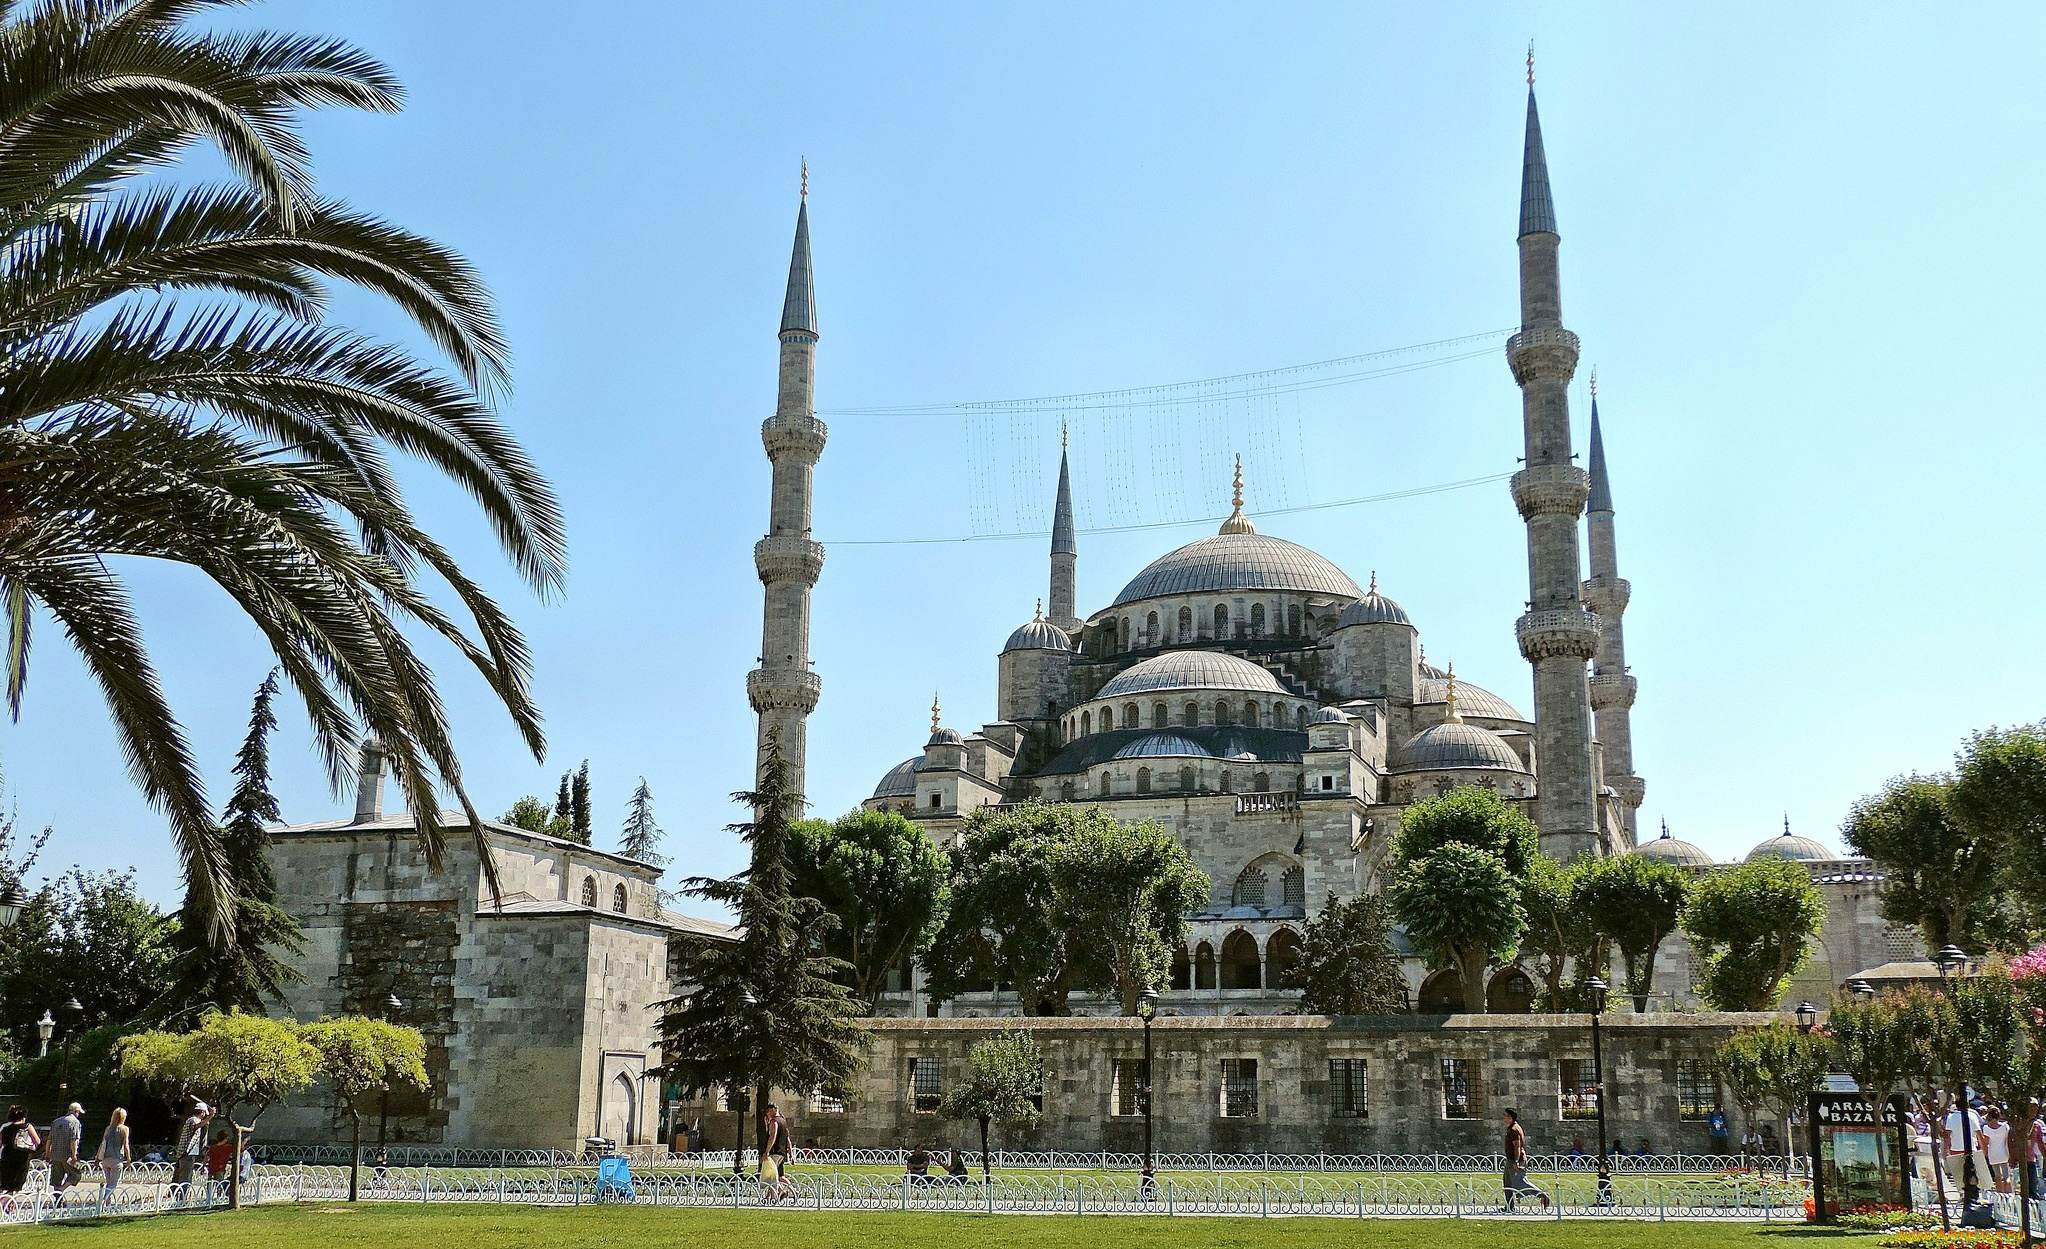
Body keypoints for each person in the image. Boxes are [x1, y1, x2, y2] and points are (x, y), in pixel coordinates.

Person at [1501, 1108, 1550, 1212]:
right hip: (1510, 1160)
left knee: (1521, 1183)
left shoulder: (1514, 1129)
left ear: (1510, 1117)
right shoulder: (1511, 1128)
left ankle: (1543, 1196)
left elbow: (1517, 1146)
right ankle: (1509, 1206)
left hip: (1516, 1160)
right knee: (1507, 1184)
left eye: (1505, 1116)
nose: (1504, 1118)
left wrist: (1516, 1161)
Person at [0, 1107, 39, 1212]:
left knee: (6, 1182)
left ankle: (9, 1204)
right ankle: (5, 1202)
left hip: (7, 1156)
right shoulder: (27, 1126)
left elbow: (1, 1142)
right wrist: (32, 1147)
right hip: (21, 1157)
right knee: (18, 1182)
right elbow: (37, 1141)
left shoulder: (6, 1128)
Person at [45, 1103, 83, 1203]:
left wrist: (47, 1153)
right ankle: (62, 1189)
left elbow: (49, 1139)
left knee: (57, 1178)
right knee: (76, 1174)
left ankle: (58, 1199)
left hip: (55, 1154)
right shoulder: (75, 1122)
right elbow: (73, 1140)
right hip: (67, 1155)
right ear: (76, 1111)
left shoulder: (56, 1121)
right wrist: (74, 1155)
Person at [759, 1103, 794, 1202]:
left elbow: (772, 1136)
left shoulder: (774, 1122)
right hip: (782, 1153)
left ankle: (778, 1194)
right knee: (779, 1175)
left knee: (770, 1175)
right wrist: (791, 1154)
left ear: (773, 1110)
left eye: (768, 1112)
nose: (768, 1114)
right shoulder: (783, 1121)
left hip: (775, 1151)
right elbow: (787, 1139)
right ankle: (793, 1191)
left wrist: (767, 1151)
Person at [172, 1101, 209, 1195]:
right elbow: (198, 1125)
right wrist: (211, 1116)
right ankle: (182, 1199)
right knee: (185, 1177)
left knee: (183, 1176)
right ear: (202, 1112)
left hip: (187, 1153)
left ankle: (178, 1196)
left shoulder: (191, 1120)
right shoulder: (193, 1120)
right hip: (187, 1153)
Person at [96, 1108, 131, 1206]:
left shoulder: (108, 1128)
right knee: (113, 1184)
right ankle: (104, 1198)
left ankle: (107, 1202)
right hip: (117, 1159)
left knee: (108, 1182)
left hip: (106, 1158)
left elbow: (102, 1143)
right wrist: (128, 1159)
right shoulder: (125, 1129)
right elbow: (126, 1145)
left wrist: (97, 1158)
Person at [1983, 1104, 2013, 1194]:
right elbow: (2008, 1141)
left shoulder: (1986, 1128)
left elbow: (1986, 1143)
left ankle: (2000, 1193)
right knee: (2006, 1175)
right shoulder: (2005, 1127)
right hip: (2004, 1152)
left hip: (1993, 1154)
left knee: (1997, 1176)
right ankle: (2008, 1193)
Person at [206, 1129, 235, 1199]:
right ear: (225, 1138)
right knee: (219, 1184)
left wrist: (203, 1165)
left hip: (211, 1168)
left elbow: (207, 1157)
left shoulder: (213, 1147)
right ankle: (218, 1198)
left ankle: (208, 1198)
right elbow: (240, 1149)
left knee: (210, 1184)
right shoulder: (228, 1147)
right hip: (220, 1168)